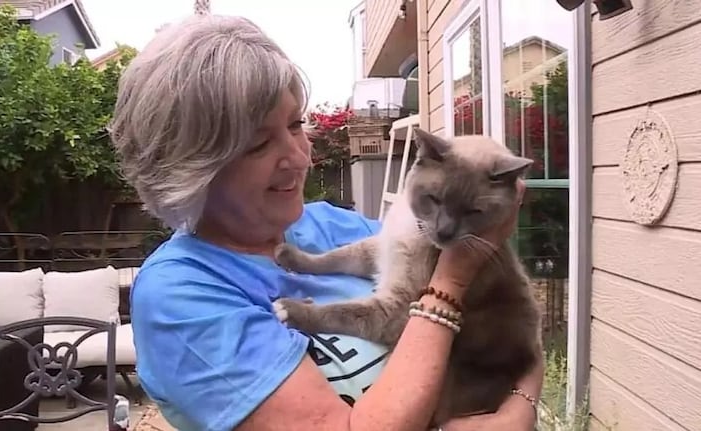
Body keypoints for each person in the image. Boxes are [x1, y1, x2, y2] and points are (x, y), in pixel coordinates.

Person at [109, 14, 542, 431]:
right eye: (260, 144)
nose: (299, 157)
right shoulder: (181, 296)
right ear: (193, 167)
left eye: (297, 124)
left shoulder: (332, 228)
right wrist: (452, 281)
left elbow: (514, 324)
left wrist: (523, 402)